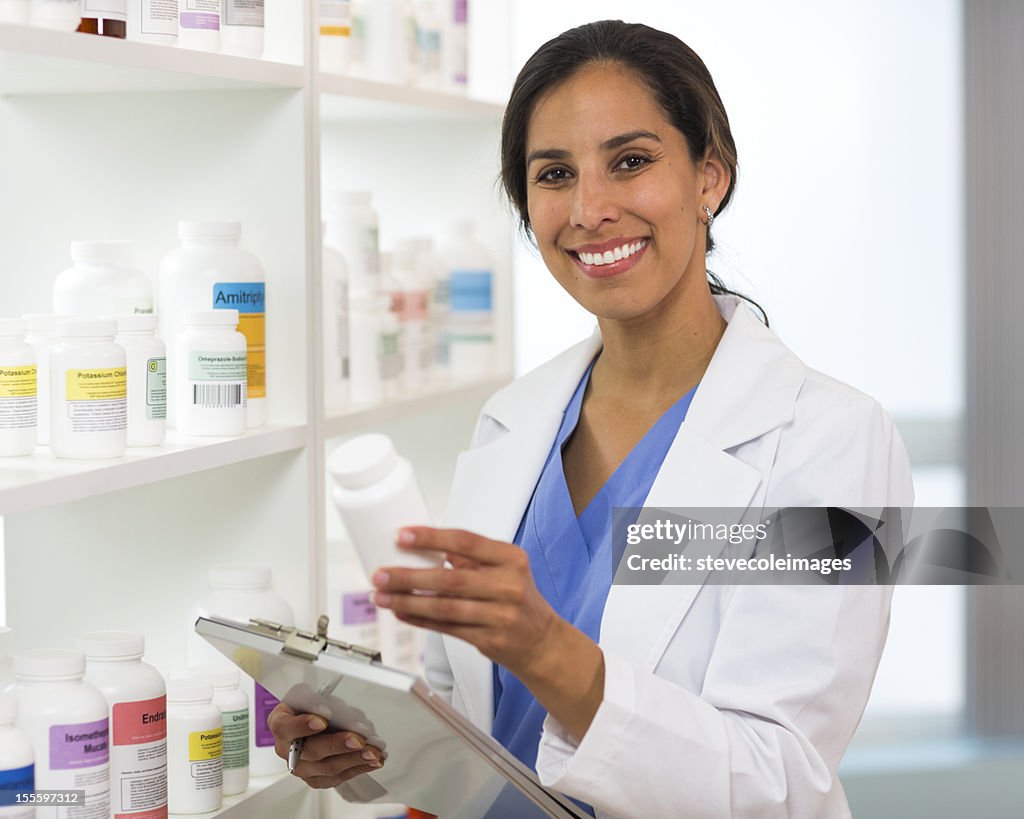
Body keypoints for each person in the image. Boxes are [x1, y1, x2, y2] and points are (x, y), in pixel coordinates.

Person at [269, 19, 913, 818]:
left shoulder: (832, 443)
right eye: (554, 174)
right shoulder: (514, 421)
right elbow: (476, 716)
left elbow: (777, 779)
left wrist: (550, 651)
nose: (591, 208)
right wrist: (369, 749)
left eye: (631, 162)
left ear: (709, 177)